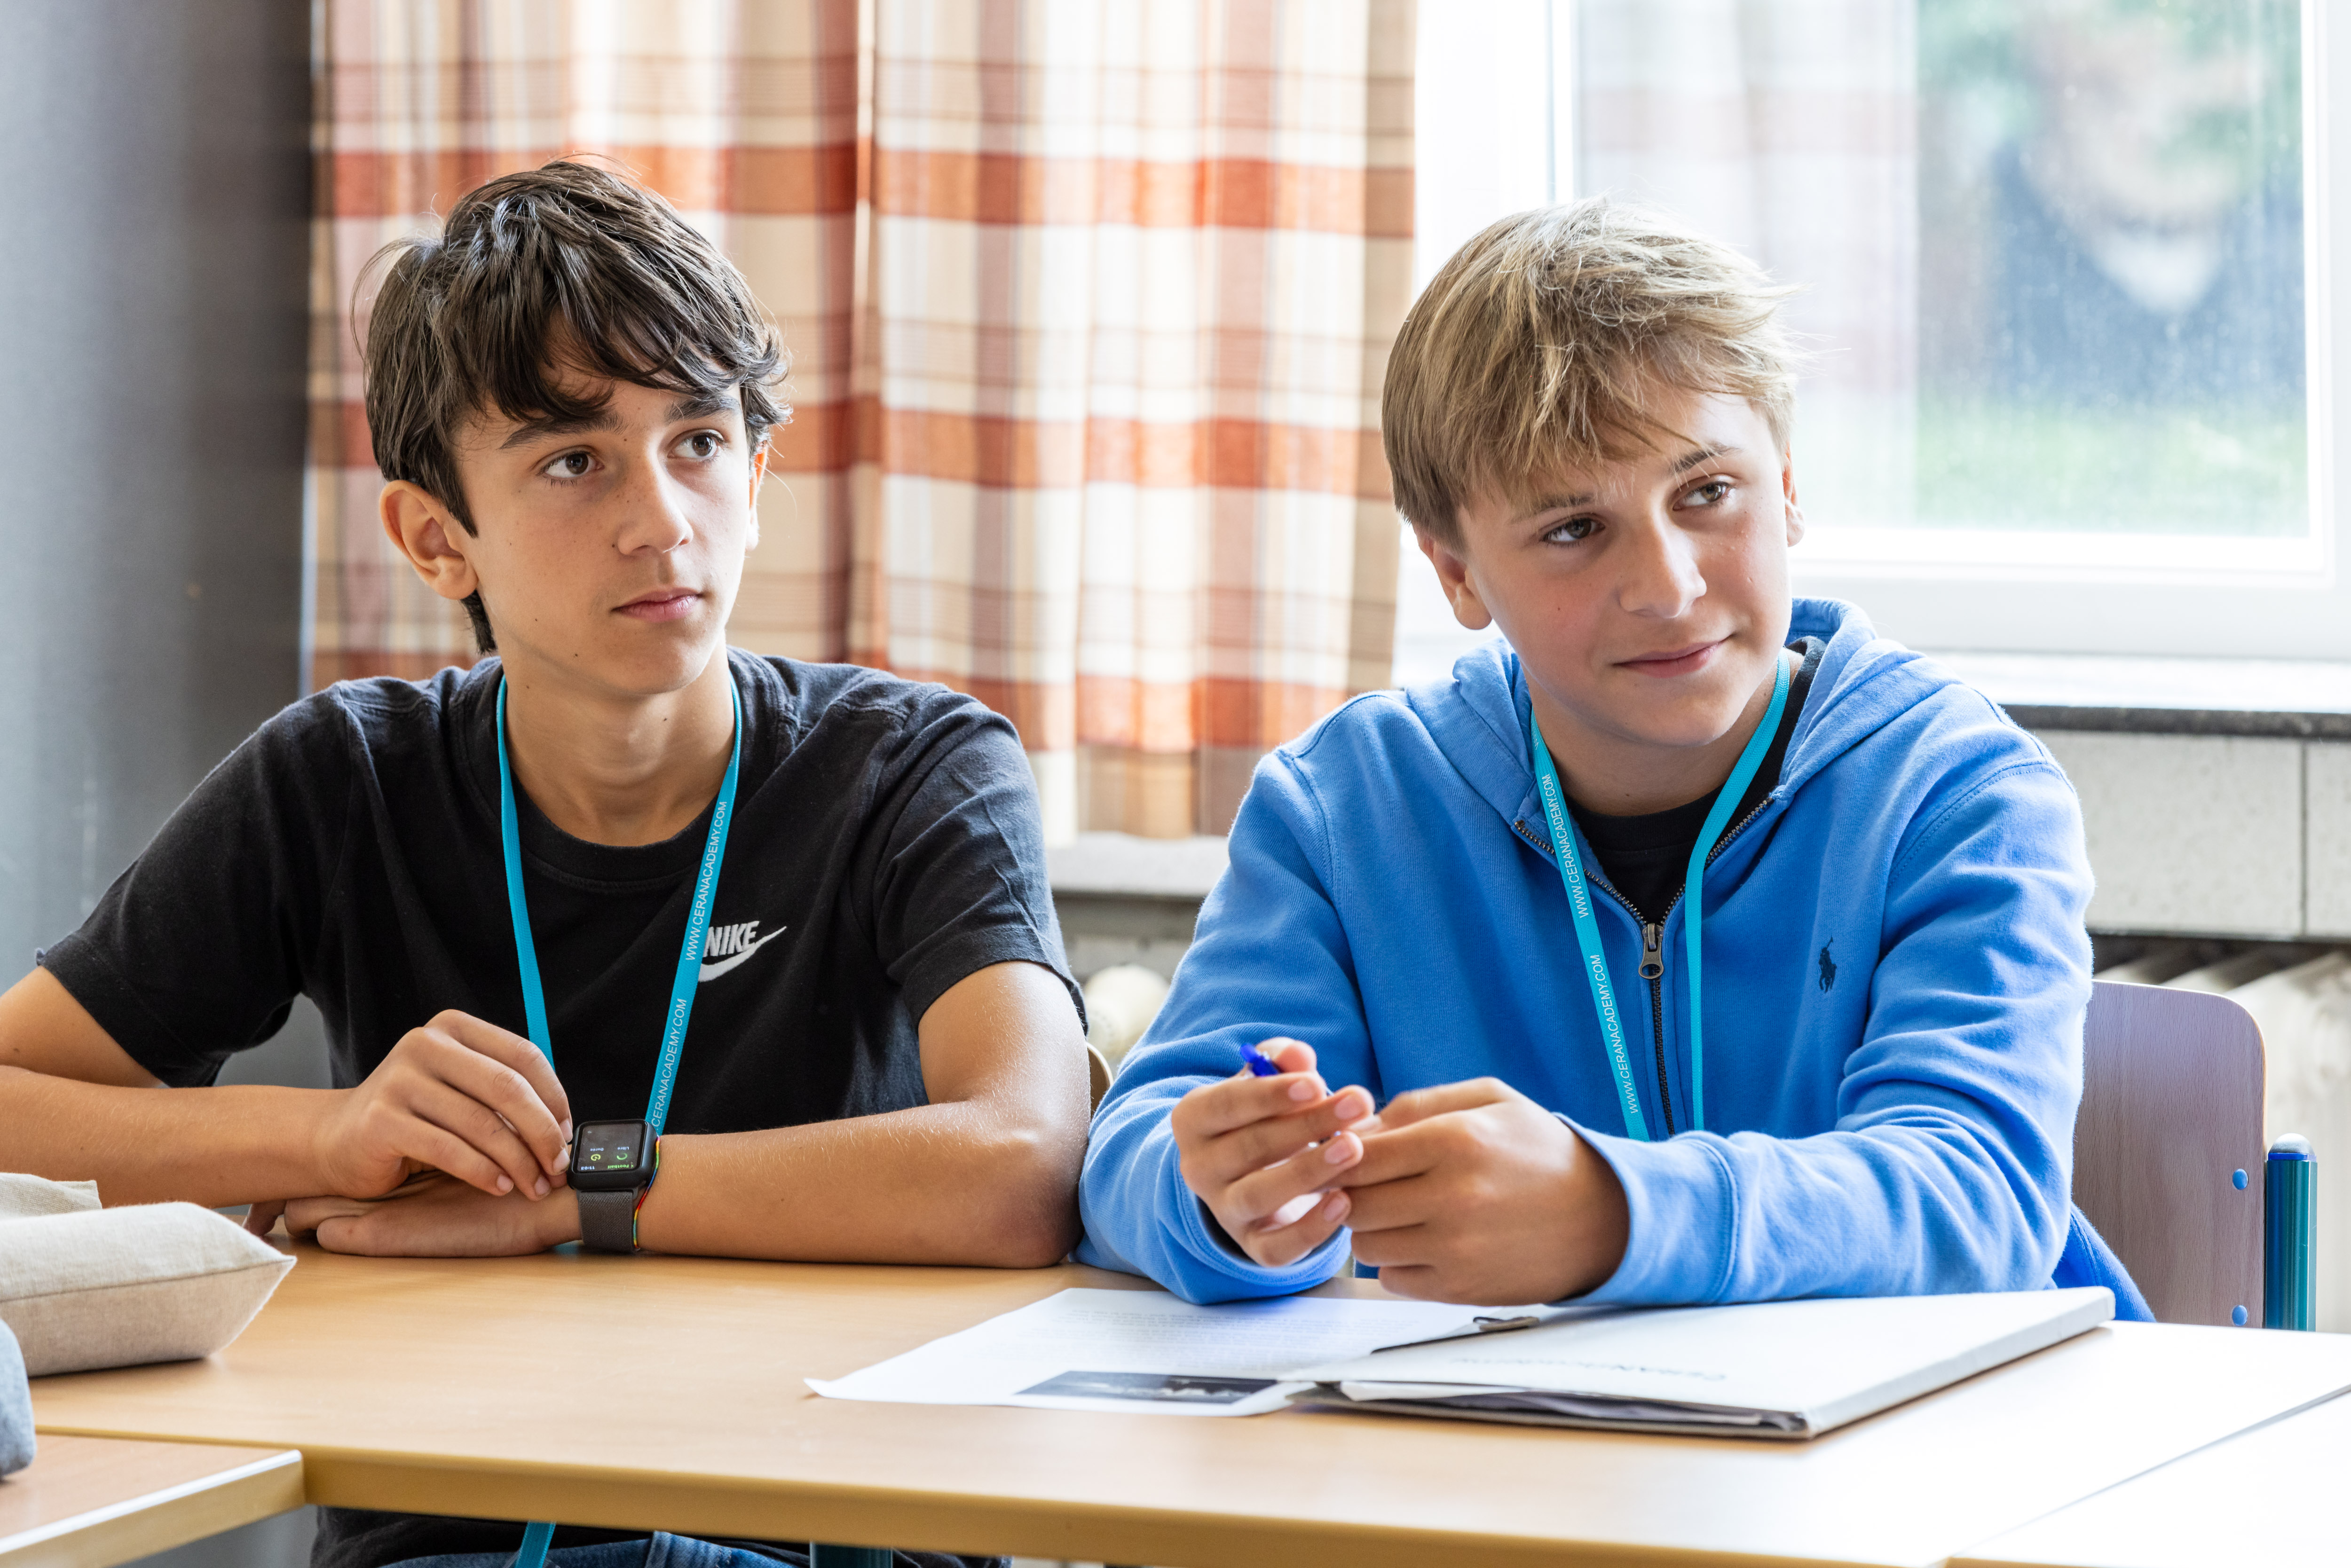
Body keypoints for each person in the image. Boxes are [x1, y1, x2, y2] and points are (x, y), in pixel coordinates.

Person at [0, 159, 1088, 1568]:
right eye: (574, 462)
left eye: (699, 441)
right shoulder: (346, 776)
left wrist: (579, 1188)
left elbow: (1027, 1164)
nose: (661, 518)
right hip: (446, 1545)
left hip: (833, 1538)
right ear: (436, 537)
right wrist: (328, 1138)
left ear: (757, 476)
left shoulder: (913, 767)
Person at [1076, 198, 2148, 1318]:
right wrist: (1223, 1202)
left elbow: (1980, 1198)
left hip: (1918, 1461)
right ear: (1456, 576)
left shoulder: (1956, 795)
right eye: (1573, 530)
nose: (1669, 586)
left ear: (1784, 489)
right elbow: (1130, 1158)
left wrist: (1611, 1213)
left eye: (1706, 493)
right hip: (1527, 1470)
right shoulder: (1345, 811)